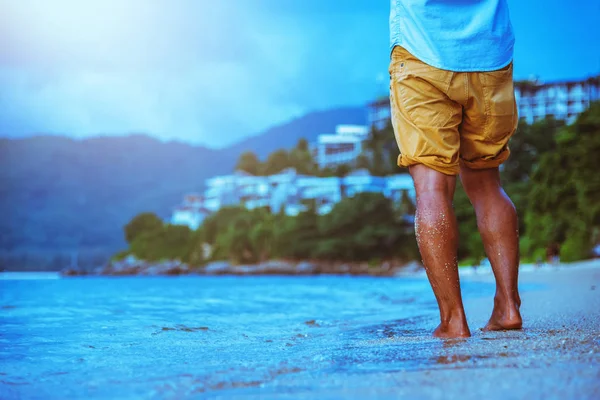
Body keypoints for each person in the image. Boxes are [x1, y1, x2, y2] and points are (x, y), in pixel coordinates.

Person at [389, 0, 522, 338]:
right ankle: (508, 306)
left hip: (422, 52)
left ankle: (453, 320)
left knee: (432, 189)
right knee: (487, 183)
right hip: (490, 56)